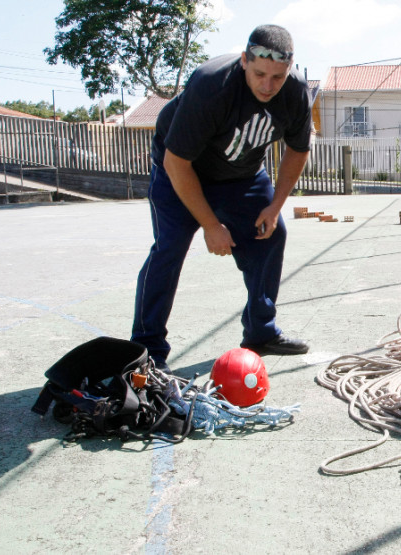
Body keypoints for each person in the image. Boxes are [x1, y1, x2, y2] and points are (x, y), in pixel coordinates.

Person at [131, 24, 313, 371]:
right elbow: (176, 162)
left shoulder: (295, 92)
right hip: (181, 173)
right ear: (244, 60)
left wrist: (274, 207)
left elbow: (298, 150)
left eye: (277, 77)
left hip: (241, 175)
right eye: (259, 73)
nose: (267, 85)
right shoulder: (211, 84)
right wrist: (211, 225)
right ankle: (147, 349)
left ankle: (261, 332)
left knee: (272, 236)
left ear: (289, 69)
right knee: (169, 248)